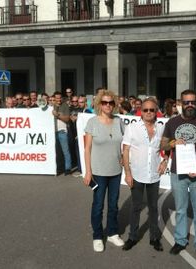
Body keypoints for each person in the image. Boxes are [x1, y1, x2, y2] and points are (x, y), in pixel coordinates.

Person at [160, 89, 196, 261]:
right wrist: (174, 142)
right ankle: (180, 240)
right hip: (178, 173)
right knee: (181, 210)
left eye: (193, 102)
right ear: (180, 103)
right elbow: (164, 145)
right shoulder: (172, 122)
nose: (190, 105)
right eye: (186, 102)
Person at [121, 98, 167, 252]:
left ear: (156, 111)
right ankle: (132, 237)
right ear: (141, 111)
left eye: (151, 110)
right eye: (145, 110)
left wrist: (165, 160)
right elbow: (125, 150)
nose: (148, 113)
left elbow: (165, 147)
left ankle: (154, 237)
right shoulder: (132, 128)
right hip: (137, 174)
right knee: (136, 207)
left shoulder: (161, 129)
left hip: (154, 174)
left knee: (153, 208)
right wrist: (127, 173)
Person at [83, 89, 125, 252]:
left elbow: (124, 143)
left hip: (115, 170)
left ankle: (113, 233)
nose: (108, 105)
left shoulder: (119, 121)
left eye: (111, 102)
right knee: (98, 205)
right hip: (98, 172)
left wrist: (122, 156)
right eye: (105, 102)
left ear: (114, 104)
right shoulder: (92, 122)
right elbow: (87, 149)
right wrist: (88, 171)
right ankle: (98, 235)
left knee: (113, 204)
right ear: (100, 104)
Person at [52, 91, 72, 175]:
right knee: (55, 152)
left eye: (60, 98)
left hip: (62, 131)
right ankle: (58, 168)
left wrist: (58, 116)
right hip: (52, 132)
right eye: (57, 98)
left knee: (65, 151)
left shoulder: (65, 106)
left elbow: (67, 119)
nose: (58, 99)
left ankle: (68, 168)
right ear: (54, 98)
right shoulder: (50, 106)